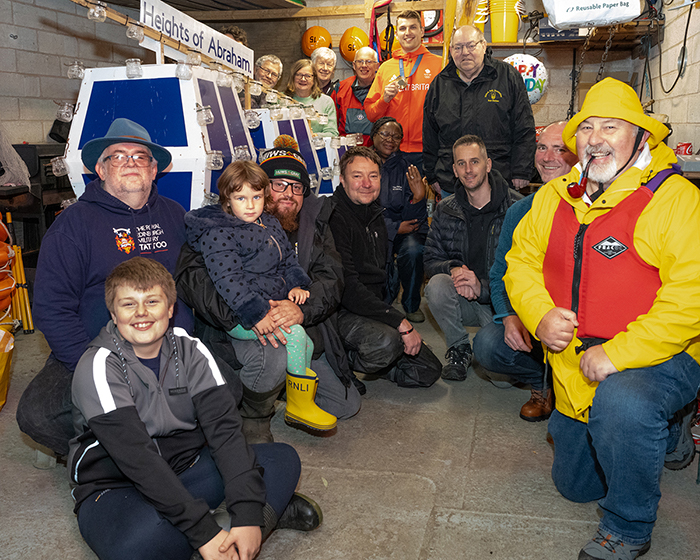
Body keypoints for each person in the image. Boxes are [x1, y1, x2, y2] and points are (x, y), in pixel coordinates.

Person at [505, 78, 700, 560]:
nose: (595, 138)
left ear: (639, 136)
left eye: (610, 127)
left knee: (626, 406)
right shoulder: (555, 197)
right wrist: (538, 313)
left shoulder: (674, 199)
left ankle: (629, 526)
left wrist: (619, 354)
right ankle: (643, 433)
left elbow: (690, 298)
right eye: (587, 127)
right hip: (575, 367)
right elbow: (520, 261)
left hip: (659, 357)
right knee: (574, 487)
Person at [69, 257, 321, 560]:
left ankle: (239, 525)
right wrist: (202, 531)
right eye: (128, 304)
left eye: (152, 301)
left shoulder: (192, 350)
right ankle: (248, 520)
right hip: (116, 486)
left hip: (187, 468)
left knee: (283, 458)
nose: (141, 314)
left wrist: (248, 514)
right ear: (113, 313)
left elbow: (225, 434)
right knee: (136, 547)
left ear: (170, 308)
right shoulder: (98, 365)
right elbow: (139, 462)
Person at [16, 118, 194, 458]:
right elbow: (52, 307)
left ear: (153, 170)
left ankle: (132, 446)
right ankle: (118, 452)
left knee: (226, 388)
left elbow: (192, 286)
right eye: (118, 156)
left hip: (168, 347)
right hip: (96, 350)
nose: (130, 162)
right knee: (37, 413)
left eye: (140, 156)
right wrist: (96, 367)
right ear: (100, 169)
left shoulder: (175, 216)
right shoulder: (73, 225)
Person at [176, 147, 361, 443]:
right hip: (238, 320)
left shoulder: (305, 224)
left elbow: (330, 278)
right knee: (276, 354)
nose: (287, 193)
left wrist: (302, 301)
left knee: (344, 404)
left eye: (297, 187)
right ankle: (255, 416)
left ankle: (291, 394)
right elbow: (214, 281)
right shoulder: (215, 230)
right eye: (279, 185)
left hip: (297, 319)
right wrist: (254, 315)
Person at [473, 122, 577, 421]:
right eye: (542, 147)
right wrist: (509, 316)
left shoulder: (595, 207)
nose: (547, 157)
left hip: (583, 319)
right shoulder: (521, 211)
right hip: (536, 314)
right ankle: (543, 383)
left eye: (559, 148)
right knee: (487, 345)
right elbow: (499, 273)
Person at [330, 146, 441, 389]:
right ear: (342, 180)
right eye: (357, 176)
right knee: (387, 342)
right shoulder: (334, 217)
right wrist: (400, 323)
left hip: (370, 307)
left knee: (429, 370)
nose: (366, 183)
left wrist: (388, 318)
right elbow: (348, 287)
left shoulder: (374, 212)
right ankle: (335, 363)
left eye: (373, 175)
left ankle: (378, 359)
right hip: (341, 310)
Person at [424, 135, 521, 381]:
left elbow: (525, 272)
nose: (468, 170)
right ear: (454, 170)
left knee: (502, 377)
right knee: (436, 285)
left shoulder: (516, 208)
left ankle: (487, 345)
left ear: (488, 165)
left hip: (501, 303)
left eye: (475, 162)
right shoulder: (445, 209)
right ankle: (459, 347)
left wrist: (483, 288)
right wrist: (454, 268)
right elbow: (430, 259)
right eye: (461, 164)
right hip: (462, 297)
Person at [423, 25, 535, 194]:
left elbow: (524, 127)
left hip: (499, 178)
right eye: (458, 47)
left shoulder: (507, 77)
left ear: (483, 46)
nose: (465, 52)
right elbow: (429, 134)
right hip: (451, 181)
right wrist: (432, 175)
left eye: (471, 45)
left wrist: (522, 170)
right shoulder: (439, 84)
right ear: (451, 51)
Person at [364, 10, 442, 172]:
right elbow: (371, 114)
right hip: (391, 151)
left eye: (413, 27)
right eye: (403, 28)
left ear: (422, 31)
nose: (408, 33)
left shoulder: (439, 65)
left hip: (426, 150)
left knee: (421, 197)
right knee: (390, 198)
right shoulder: (385, 68)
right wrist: (384, 99)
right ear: (397, 34)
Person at [372, 116, 428, 323]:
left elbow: (417, 219)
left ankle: (411, 303)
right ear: (374, 135)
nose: (390, 139)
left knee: (414, 251)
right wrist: (394, 228)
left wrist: (418, 198)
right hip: (374, 229)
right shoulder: (363, 164)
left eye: (396, 136)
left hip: (406, 229)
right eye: (385, 134)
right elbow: (360, 211)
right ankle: (382, 301)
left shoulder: (409, 167)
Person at [332, 46, 378, 146]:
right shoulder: (340, 89)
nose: (364, 65)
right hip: (347, 152)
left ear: (377, 66)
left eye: (369, 62)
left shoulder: (384, 90)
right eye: (360, 61)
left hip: (375, 153)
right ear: (354, 65)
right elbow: (332, 125)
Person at [285, 59, 338, 137]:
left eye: (308, 76)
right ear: (293, 77)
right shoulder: (282, 99)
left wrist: (314, 136)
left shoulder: (326, 102)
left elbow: (332, 133)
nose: (303, 79)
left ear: (314, 79)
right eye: (299, 75)